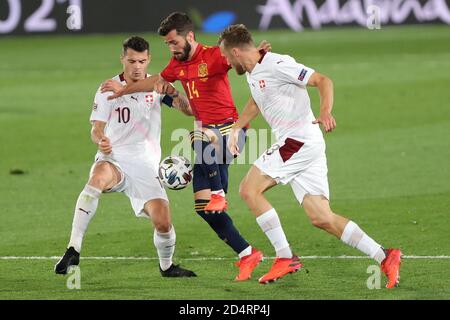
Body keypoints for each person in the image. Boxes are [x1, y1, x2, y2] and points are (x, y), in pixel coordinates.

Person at [218, 24, 402, 287]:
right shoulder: (253, 69)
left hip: (299, 140)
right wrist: (238, 126)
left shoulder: (278, 64)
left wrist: (325, 111)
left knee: (249, 189)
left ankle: (285, 257)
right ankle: (385, 255)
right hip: (305, 145)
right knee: (321, 217)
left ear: (236, 51)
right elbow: (258, 100)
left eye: (226, 56)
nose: (225, 62)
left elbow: (322, 80)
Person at [101, 12, 269, 281]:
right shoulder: (176, 66)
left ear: (189, 36)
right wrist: (122, 90)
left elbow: (241, 58)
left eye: (174, 42)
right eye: (167, 44)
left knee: (199, 137)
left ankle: (219, 193)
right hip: (208, 140)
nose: (171, 48)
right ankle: (247, 254)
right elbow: (155, 81)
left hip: (229, 131)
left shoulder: (214, 56)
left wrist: (260, 55)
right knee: (206, 210)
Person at [54, 36, 196, 278]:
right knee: (97, 178)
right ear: (123, 59)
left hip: (145, 165)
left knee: (163, 222)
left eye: (141, 61)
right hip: (115, 158)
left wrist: (173, 91)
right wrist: (101, 139)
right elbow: (96, 127)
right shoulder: (108, 87)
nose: (137, 66)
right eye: (132, 61)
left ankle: (167, 266)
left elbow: (189, 110)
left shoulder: (157, 85)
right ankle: (73, 249)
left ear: (148, 59)